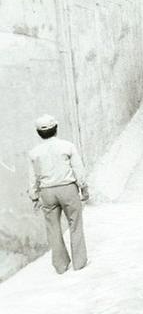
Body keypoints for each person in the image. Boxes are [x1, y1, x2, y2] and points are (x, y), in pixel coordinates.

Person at [28, 115, 89, 274]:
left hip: (47, 192)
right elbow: (78, 168)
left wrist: (34, 196)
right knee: (75, 223)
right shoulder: (67, 146)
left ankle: (61, 265)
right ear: (56, 129)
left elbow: (32, 177)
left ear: (38, 133)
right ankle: (79, 262)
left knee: (53, 228)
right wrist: (83, 187)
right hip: (67, 188)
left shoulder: (34, 153)